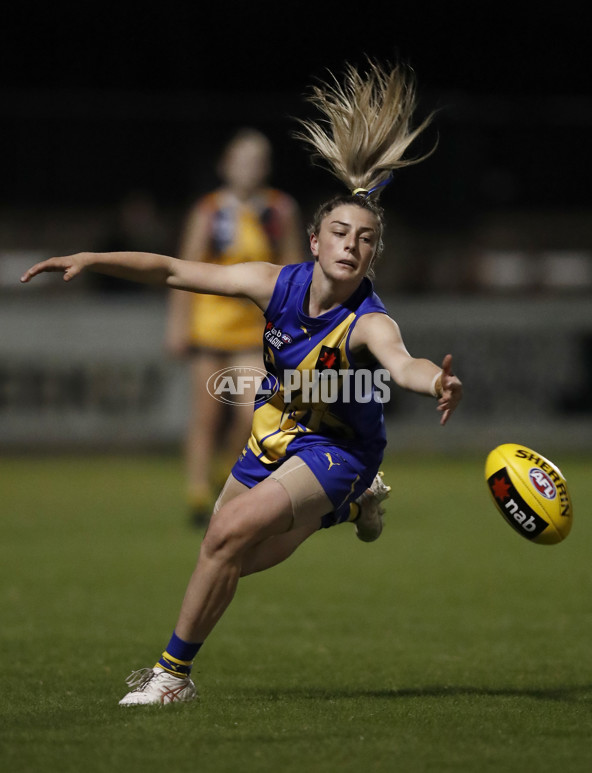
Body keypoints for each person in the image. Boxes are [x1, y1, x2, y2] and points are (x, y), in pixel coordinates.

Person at [21, 60, 463, 706]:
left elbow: (402, 363)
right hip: (273, 433)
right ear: (314, 240)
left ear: (373, 254)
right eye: (340, 231)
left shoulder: (369, 321)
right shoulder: (273, 282)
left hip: (338, 450)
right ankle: (344, 510)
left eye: (364, 239)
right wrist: (94, 258)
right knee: (229, 553)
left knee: (227, 537)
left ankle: (171, 676)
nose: (350, 244)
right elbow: (175, 270)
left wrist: (436, 383)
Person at [165, 129, 304, 526]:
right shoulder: (208, 211)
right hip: (209, 328)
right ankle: (196, 495)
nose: (250, 167)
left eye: (258, 159)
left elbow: (293, 269)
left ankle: (226, 471)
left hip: (254, 331)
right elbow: (184, 270)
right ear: (226, 164)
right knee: (206, 414)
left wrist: (295, 326)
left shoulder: (280, 209)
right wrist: (177, 325)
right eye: (242, 159)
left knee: (249, 413)